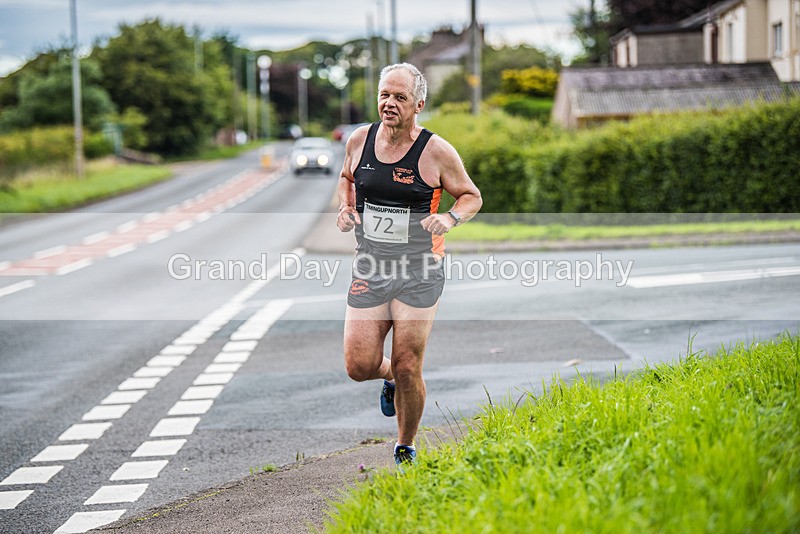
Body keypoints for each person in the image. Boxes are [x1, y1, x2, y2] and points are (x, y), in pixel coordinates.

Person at [336, 62, 482, 468]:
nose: (389, 103)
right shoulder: (360, 140)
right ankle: (388, 380)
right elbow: (347, 178)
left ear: (418, 104)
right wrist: (347, 208)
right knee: (358, 365)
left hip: (420, 270)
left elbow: (471, 195)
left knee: (408, 363)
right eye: (384, 95)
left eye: (399, 97)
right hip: (370, 267)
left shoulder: (436, 151)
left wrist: (451, 218)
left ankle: (405, 445)